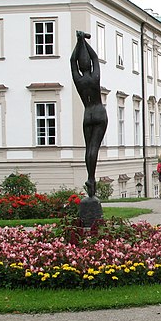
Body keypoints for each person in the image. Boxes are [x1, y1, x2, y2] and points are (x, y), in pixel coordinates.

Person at [70, 31, 108, 198]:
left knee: (88, 149)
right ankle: (92, 180)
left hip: (88, 114)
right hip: (99, 113)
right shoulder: (95, 77)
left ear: (79, 65)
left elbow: (72, 60)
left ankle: (90, 177)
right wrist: (85, 41)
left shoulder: (78, 80)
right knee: (95, 148)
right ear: (89, 65)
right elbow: (95, 58)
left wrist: (79, 42)